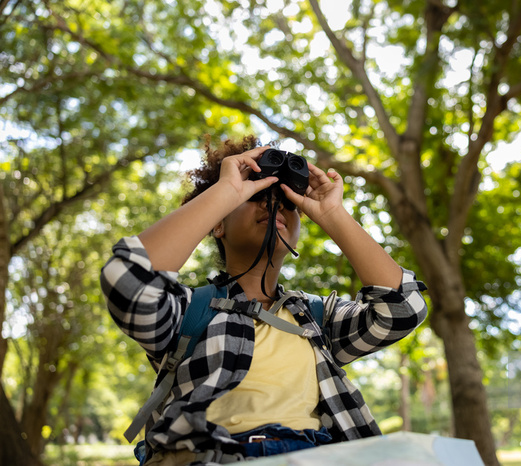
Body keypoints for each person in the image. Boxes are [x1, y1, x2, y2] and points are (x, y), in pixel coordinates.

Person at [100, 135, 428, 465]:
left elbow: (403, 310)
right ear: (218, 225)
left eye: (286, 201)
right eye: (257, 194)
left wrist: (332, 213)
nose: (273, 205)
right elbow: (128, 281)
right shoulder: (189, 311)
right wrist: (228, 190)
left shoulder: (317, 317)